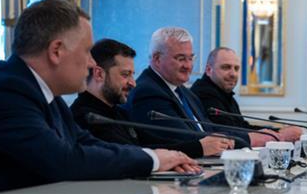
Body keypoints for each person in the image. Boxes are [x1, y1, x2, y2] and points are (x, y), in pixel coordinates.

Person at [0, 0, 198, 194]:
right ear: (56, 51)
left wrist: (156, 156)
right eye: (87, 51)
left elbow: (86, 143)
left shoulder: (43, 93)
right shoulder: (4, 91)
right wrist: (152, 159)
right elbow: (64, 161)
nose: (92, 63)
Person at [70, 39, 233, 157]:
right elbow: (128, 155)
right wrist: (198, 148)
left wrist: (187, 154)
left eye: (132, 75)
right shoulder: (85, 116)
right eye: (125, 75)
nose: (133, 83)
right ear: (99, 74)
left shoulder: (118, 112)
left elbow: (150, 145)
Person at [124, 27, 251, 149]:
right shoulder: (147, 92)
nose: (188, 66)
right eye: (181, 59)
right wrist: (245, 139)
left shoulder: (184, 92)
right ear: (157, 59)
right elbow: (185, 138)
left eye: (191, 58)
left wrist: (248, 136)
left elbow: (209, 128)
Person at [190, 47, 303, 145]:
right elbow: (227, 132)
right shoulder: (204, 93)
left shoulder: (224, 92)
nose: (233, 74)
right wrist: (279, 134)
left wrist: (278, 131)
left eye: (236, 68)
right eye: (226, 67)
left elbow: (242, 126)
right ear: (209, 70)